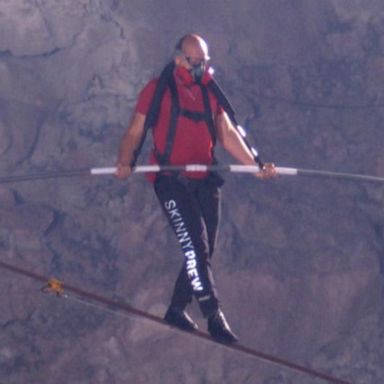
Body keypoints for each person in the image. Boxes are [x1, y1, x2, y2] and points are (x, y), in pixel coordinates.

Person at [115, 34, 276, 344]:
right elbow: (135, 130)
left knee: (206, 248)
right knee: (194, 246)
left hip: (205, 178)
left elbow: (227, 134)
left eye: (206, 62)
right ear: (179, 60)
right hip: (170, 180)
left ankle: (176, 308)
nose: (202, 68)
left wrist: (255, 166)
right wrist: (125, 161)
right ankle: (213, 315)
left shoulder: (209, 93)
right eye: (196, 62)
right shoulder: (157, 90)